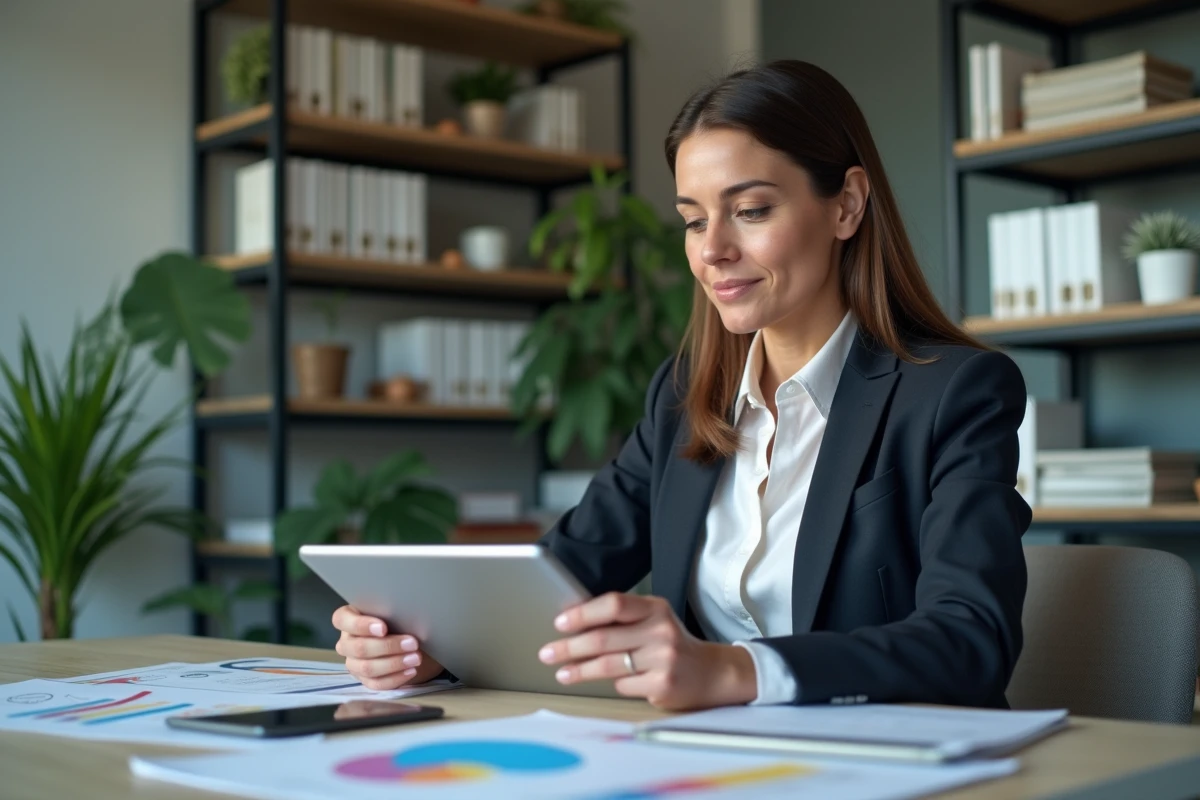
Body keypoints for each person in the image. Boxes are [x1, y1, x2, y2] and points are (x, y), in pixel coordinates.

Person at [331, 59, 1031, 712]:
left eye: (750, 210)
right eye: (693, 220)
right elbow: (562, 576)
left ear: (846, 205)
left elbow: (970, 642)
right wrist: (424, 644)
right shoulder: (684, 395)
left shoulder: (955, 393)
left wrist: (733, 670)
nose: (711, 249)